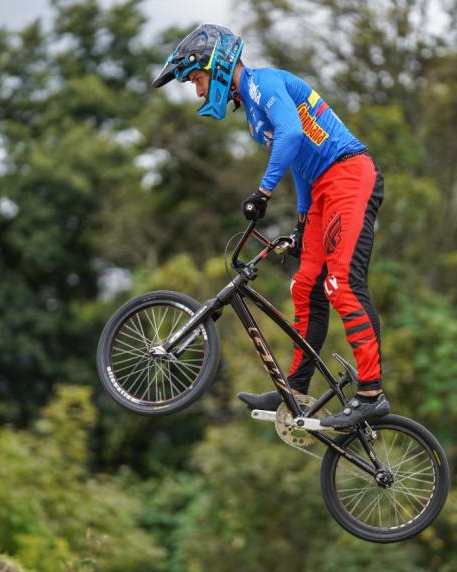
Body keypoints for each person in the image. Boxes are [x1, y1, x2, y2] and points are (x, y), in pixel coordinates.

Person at [152, 24, 389, 428]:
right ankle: (296, 388)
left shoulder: (262, 83)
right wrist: (301, 220)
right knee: (305, 285)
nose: (197, 91)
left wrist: (262, 192)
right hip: (320, 191)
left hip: (349, 176)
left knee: (341, 283)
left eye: (197, 79)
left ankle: (371, 393)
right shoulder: (254, 112)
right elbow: (300, 159)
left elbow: (293, 134)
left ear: (218, 65)